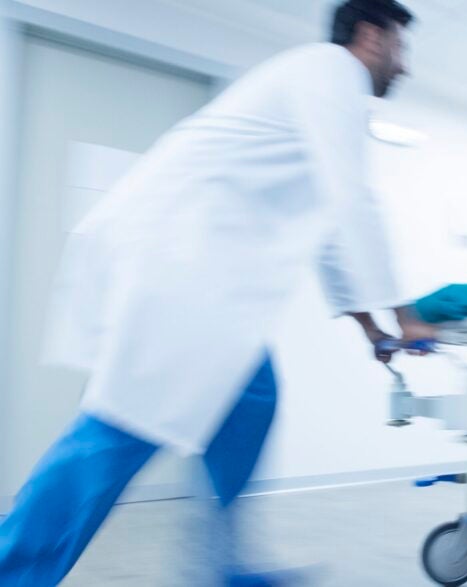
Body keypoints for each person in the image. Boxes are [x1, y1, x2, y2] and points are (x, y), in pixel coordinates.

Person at [0, 1, 432, 585]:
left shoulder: (318, 85)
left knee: (251, 398)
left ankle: (222, 564)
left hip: (196, 277)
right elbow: (353, 198)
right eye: (401, 49)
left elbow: (330, 224)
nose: (404, 67)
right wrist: (406, 316)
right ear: (371, 36)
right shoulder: (332, 72)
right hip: (176, 266)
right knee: (118, 434)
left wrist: (371, 328)